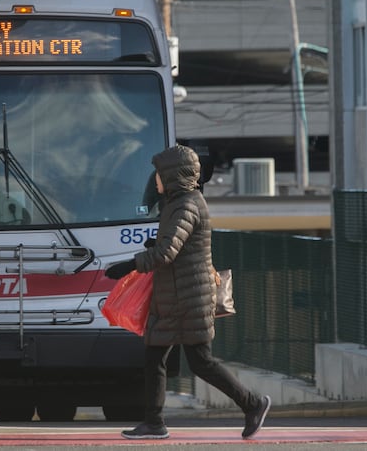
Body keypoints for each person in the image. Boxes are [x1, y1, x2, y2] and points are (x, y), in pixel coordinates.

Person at [105, 144, 270, 440]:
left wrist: (130, 265)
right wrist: (153, 246)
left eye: (158, 173)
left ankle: (253, 403)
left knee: (200, 362)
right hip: (177, 296)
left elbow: (168, 252)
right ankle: (154, 423)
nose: (154, 178)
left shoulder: (186, 205)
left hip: (188, 298)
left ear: (172, 175)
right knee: (156, 358)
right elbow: (174, 245)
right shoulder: (179, 202)